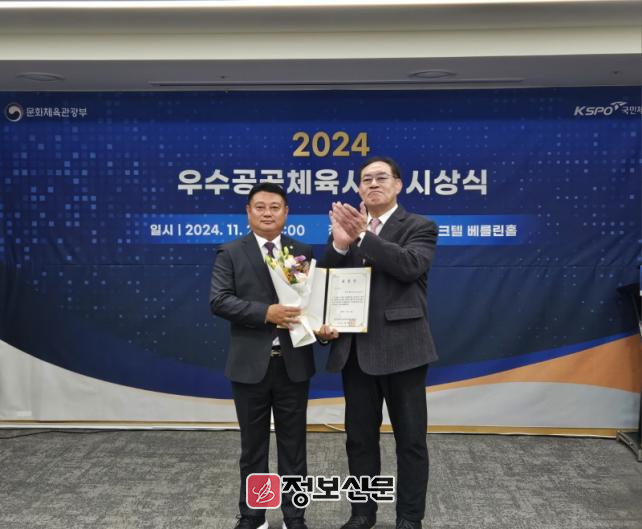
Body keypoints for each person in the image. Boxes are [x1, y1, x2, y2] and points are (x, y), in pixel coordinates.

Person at [319, 156, 438, 529]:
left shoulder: (419, 226)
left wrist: (361, 236)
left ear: (399, 185)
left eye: (381, 177)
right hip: (355, 352)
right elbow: (325, 281)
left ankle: (409, 518)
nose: (373, 184)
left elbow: (409, 266)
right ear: (358, 188)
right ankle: (362, 514)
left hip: (404, 350)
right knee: (359, 440)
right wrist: (340, 246)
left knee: (411, 442)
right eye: (366, 179)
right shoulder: (348, 229)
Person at [210, 182, 314, 529]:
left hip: (292, 364)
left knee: (294, 446)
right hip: (249, 365)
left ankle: (294, 517)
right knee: (253, 447)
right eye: (260, 207)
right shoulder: (230, 252)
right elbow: (219, 300)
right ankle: (254, 516)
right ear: (248, 212)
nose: (267, 213)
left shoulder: (301, 251)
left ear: (286, 212)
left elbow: (311, 303)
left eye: (275, 207)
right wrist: (265, 313)